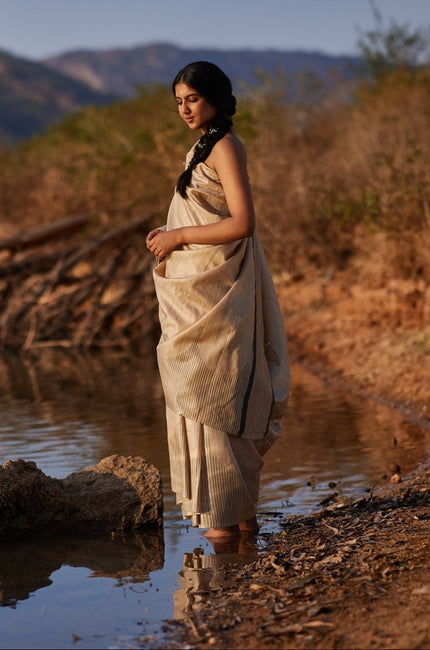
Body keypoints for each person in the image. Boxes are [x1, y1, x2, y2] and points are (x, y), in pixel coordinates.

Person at [146, 61, 290, 540]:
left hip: (218, 295)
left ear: (215, 98)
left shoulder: (226, 147)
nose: (185, 109)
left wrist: (181, 233)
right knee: (203, 387)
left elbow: (242, 222)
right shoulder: (200, 149)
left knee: (216, 387)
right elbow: (208, 212)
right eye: (178, 102)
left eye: (192, 99)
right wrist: (171, 235)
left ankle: (226, 532)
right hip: (197, 291)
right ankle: (238, 525)